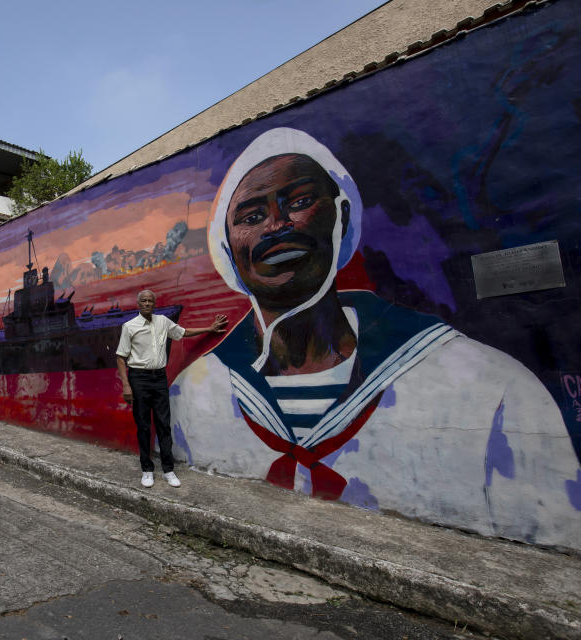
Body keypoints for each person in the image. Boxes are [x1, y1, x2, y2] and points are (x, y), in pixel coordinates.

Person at [172, 127, 581, 548]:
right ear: (228, 248)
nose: (277, 226)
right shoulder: (197, 392)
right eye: (252, 216)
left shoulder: (491, 388)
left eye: (299, 202)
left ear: (341, 217)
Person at [116, 289, 227, 488]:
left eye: (151, 300)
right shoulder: (129, 326)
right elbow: (121, 357)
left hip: (159, 378)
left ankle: (168, 470)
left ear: (154, 303)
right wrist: (126, 385)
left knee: (163, 425)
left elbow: (183, 332)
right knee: (143, 426)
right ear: (138, 304)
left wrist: (209, 329)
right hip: (138, 379)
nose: (147, 303)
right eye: (144, 301)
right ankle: (147, 470)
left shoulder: (163, 322)